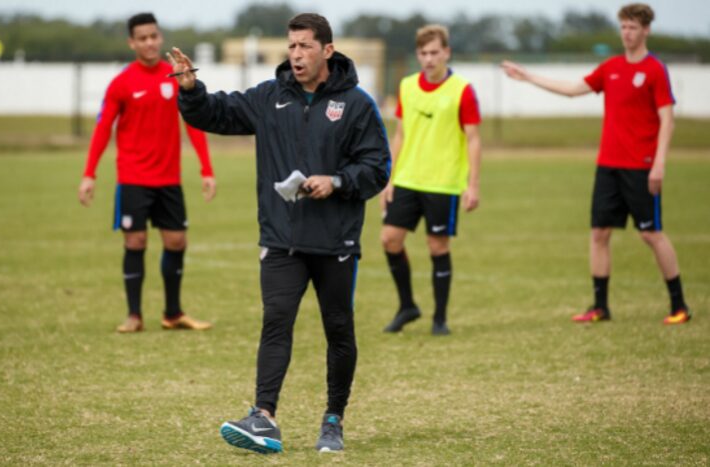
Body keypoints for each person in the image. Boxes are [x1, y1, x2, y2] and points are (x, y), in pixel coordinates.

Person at [169, 13, 389, 454]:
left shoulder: (358, 104)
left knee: (338, 329)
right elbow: (217, 113)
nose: (296, 54)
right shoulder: (270, 97)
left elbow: (377, 167)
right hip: (281, 237)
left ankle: (333, 420)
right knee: (276, 322)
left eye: (305, 46)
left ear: (327, 50)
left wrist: (338, 182)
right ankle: (263, 417)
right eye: (291, 46)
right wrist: (191, 89)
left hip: (335, 240)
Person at [501, 3, 690, 325]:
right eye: (624, 27)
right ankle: (600, 306)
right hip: (608, 165)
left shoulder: (655, 70)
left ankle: (679, 305)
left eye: (633, 27)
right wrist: (528, 76)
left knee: (651, 234)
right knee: (599, 232)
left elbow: (667, 120)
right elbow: (573, 90)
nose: (627, 33)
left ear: (646, 30)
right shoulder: (611, 67)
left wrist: (659, 164)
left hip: (641, 167)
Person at [78, 13, 216, 333]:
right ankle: (134, 315)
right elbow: (102, 129)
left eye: (154, 36)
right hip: (133, 177)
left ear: (160, 37)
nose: (150, 42)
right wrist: (89, 174)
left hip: (169, 177)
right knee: (136, 241)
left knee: (177, 241)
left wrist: (206, 169)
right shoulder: (122, 83)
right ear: (132, 43)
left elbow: (193, 122)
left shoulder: (177, 76)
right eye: (142, 38)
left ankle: (172, 313)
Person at [381, 25, 482, 336]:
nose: (428, 59)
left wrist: (472, 184)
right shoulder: (407, 86)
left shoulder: (462, 90)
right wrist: (389, 177)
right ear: (418, 55)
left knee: (436, 246)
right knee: (389, 240)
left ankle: (440, 319)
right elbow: (399, 134)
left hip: (444, 182)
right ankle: (407, 306)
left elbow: (473, 139)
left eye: (434, 52)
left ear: (446, 53)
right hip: (408, 178)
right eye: (423, 53)